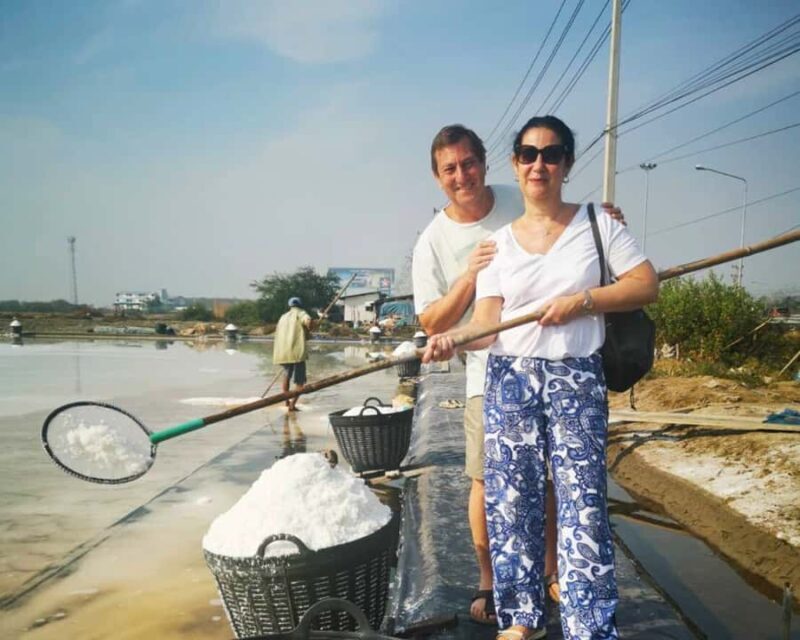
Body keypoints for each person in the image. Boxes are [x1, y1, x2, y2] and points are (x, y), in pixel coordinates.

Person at [421, 115, 659, 640]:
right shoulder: (498, 245)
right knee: (511, 501)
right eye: (528, 155)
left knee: (582, 502)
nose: (539, 165)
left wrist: (583, 301)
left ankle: (588, 622)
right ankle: (522, 616)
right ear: (515, 163)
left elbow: (645, 285)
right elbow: (487, 328)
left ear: (568, 164)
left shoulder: (598, 224)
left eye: (551, 155)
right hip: (511, 381)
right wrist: (450, 339)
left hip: (576, 378)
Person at [273, 296, 313, 412]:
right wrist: (310, 329)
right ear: (300, 305)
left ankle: (286, 401)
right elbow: (309, 321)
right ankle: (292, 405)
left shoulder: (283, 317)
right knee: (300, 381)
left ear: (290, 306)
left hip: (284, 351)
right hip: (297, 351)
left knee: (286, 377)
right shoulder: (301, 313)